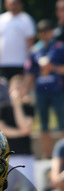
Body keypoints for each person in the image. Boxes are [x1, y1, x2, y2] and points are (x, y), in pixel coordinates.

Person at [27, 19, 64, 160]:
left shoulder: (59, 47)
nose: (44, 34)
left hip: (57, 90)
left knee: (62, 123)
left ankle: (62, 155)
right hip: (40, 91)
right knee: (43, 125)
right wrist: (26, 91)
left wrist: (52, 67)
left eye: (47, 31)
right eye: (41, 32)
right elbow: (30, 72)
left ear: (52, 31)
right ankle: (47, 155)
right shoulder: (35, 49)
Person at [0, 75, 36, 188]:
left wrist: (17, 106)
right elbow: (1, 130)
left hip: (25, 156)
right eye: (16, 87)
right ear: (10, 89)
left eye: (21, 87)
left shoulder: (28, 107)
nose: (18, 90)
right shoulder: (3, 107)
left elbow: (26, 125)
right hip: (8, 157)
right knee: (6, 190)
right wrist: (21, 132)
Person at [0, 0, 36, 81]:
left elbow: (30, 42)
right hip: (3, 63)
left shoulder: (26, 20)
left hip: (20, 62)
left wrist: (29, 61)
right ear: (6, 4)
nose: (13, 5)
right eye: (11, 3)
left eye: (15, 3)